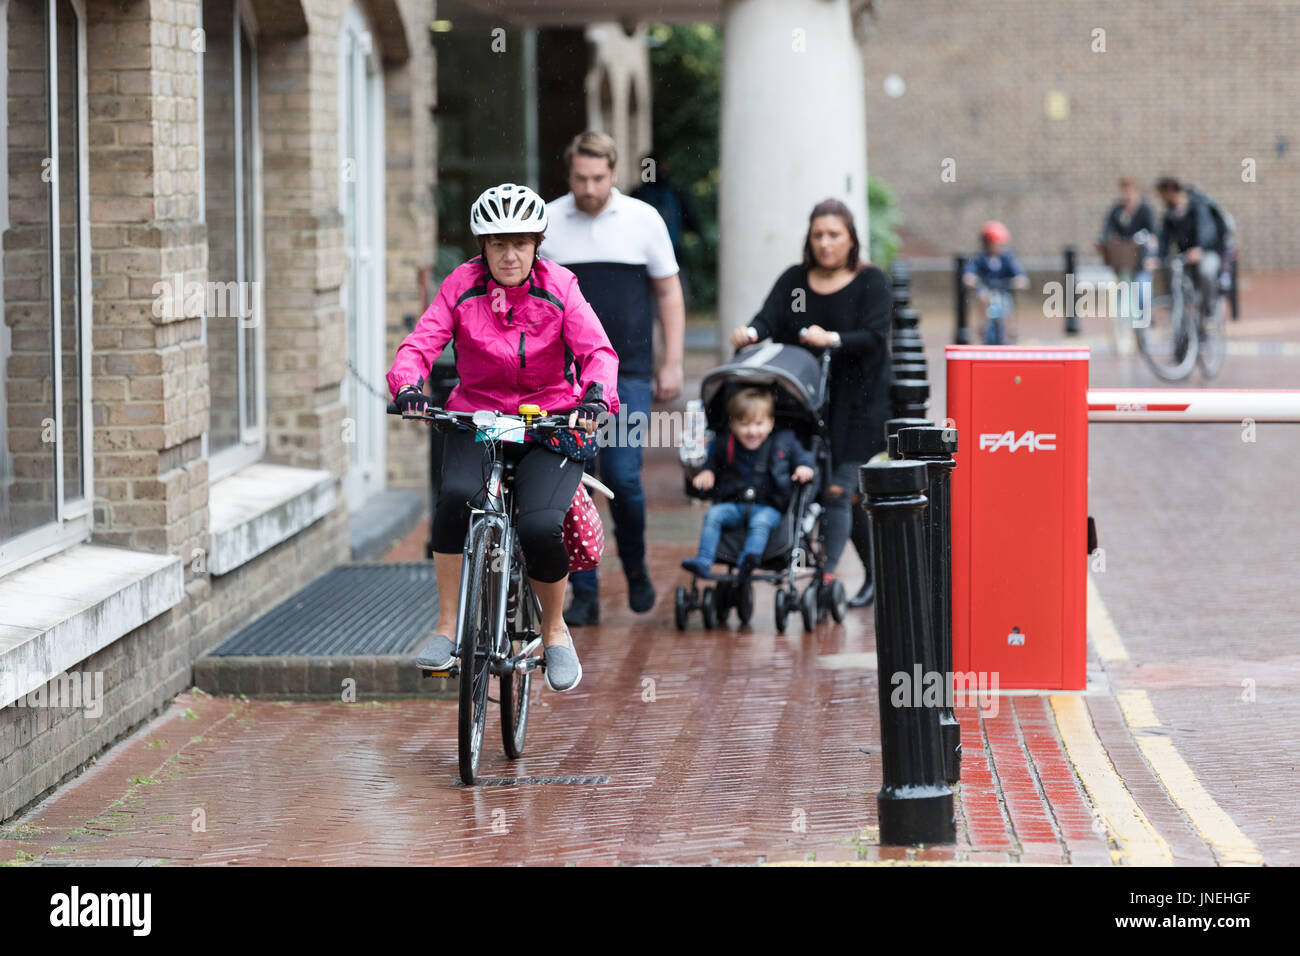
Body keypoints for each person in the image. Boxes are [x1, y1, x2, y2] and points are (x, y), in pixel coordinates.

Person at [387, 183, 620, 693]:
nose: (509, 254)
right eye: (497, 244)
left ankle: (555, 629)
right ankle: (448, 627)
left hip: (550, 423)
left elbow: (598, 352)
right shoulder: (461, 285)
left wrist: (596, 396)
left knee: (539, 527)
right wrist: (407, 385)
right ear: (482, 247)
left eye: (519, 243)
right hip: (479, 418)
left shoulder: (560, 287)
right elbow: (421, 343)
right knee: (452, 499)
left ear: (536, 243)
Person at [541, 131, 686, 626]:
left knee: (622, 477)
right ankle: (584, 592)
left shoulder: (644, 220)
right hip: (562, 378)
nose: (589, 187)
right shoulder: (547, 221)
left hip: (630, 374)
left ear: (614, 173)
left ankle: (637, 568)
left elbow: (668, 293)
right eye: (580, 178)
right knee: (570, 482)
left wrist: (673, 361)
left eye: (598, 178)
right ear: (569, 175)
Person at [729, 198, 892, 608]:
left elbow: (874, 337)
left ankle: (830, 577)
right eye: (818, 234)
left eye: (834, 234)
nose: (825, 243)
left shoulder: (871, 282)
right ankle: (873, 574)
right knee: (820, 490)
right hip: (804, 404)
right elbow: (767, 318)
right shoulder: (794, 280)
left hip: (858, 406)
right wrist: (749, 333)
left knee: (841, 490)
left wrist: (833, 338)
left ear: (851, 238)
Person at [681, 388, 817, 580]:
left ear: (770, 424)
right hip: (734, 505)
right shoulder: (725, 443)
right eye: (744, 424)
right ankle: (703, 561)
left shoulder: (783, 441)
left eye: (759, 424)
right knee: (713, 515)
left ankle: (748, 560)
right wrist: (707, 472)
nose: (752, 431)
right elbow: (711, 462)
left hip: (768, 506)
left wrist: (803, 467)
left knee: (760, 523)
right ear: (733, 424)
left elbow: (804, 458)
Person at [632, 152, 703, 312]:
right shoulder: (676, 193)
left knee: (649, 309)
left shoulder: (637, 196)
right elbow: (693, 223)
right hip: (673, 256)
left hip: (642, 259)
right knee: (674, 304)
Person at [1146, 177, 1225, 319]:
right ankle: (1180, 320)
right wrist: (1157, 258)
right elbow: (1164, 239)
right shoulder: (1170, 214)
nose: (1162, 199)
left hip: (1208, 252)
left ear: (1169, 191)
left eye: (1162, 195)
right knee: (1174, 275)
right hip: (1185, 256)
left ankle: (1208, 312)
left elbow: (1209, 231)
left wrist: (1201, 249)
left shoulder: (1199, 205)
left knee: (1206, 272)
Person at [1096, 177, 1158, 352]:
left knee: (1142, 293)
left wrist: (1152, 255)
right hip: (1123, 263)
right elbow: (1106, 231)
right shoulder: (1117, 211)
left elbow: (1154, 235)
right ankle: (1126, 335)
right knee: (1121, 299)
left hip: (1142, 262)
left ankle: (1143, 331)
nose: (1127, 194)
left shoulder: (1145, 210)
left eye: (1129, 190)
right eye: (1124, 190)